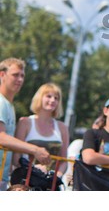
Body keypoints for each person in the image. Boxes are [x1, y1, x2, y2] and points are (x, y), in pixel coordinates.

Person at [0, 58, 50, 191]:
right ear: (2, 75)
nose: (20, 79)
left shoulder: (9, 105)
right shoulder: (0, 102)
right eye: (15, 75)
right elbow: (1, 137)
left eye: (22, 76)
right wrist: (35, 150)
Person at [13, 83, 69, 180]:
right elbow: (16, 158)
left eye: (56, 98)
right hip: (27, 180)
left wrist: (56, 176)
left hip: (51, 184)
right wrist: (32, 170)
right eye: (48, 96)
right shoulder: (25, 122)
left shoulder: (62, 127)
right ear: (39, 98)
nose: (52, 100)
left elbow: (64, 160)